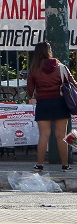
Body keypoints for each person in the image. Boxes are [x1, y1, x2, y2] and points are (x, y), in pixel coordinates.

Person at [27, 41, 71, 172]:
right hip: (60, 103)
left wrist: (36, 94)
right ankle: (65, 165)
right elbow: (72, 83)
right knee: (61, 136)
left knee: (44, 135)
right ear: (49, 51)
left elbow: (30, 90)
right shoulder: (61, 67)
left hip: (43, 103)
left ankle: (39, 165)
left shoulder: (34, 69)